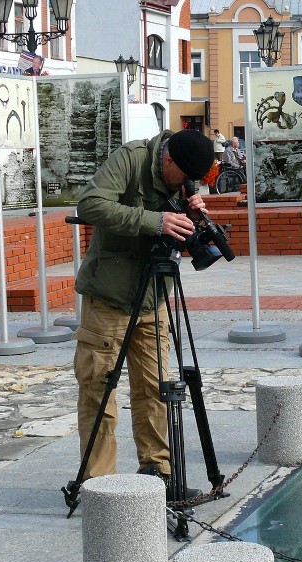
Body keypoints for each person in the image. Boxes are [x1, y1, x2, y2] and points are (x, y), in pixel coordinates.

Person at [73, 129, 215, 484]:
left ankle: (157, 470)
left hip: (154, 294)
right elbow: (90, 204)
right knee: (99, 391)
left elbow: (179, 207)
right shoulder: (131, 158)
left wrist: (190, 211)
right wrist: (155, 220)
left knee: (155, 389)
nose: (188, 184)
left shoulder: (183, 179)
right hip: (110, 295)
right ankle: (100, 482)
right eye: (184, 177)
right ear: (168, 160)